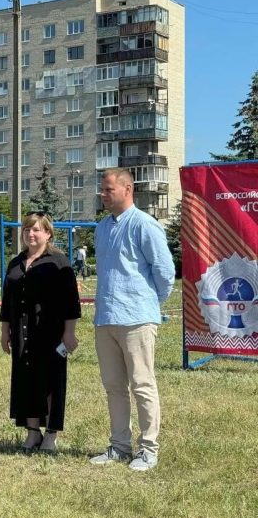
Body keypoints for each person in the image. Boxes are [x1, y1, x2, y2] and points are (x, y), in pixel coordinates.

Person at [91, 168, 175, 471]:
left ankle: (148, 449)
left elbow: (165, 272)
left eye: (108, 189)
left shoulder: (145, 225)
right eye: (102, 188)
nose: (103, 194)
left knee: (142, 384)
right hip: (106, 318)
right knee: (114, 386)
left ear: (128, 189)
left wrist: (149, 303)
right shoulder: (102, 227)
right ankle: (119, 446)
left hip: (137, 318)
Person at [0, 212, 81, 454]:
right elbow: (7, 301)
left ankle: (51, 434)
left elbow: (71, 302)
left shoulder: (59, 262)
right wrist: (5, 332)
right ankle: (32, 432)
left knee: (50, 383)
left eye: (36, 230)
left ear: (48, 233)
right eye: (27, 229)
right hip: (22, 332)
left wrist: (69, 333)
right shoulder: (16, 262)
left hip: (50, 332)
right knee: (26, 381)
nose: (31, 234)